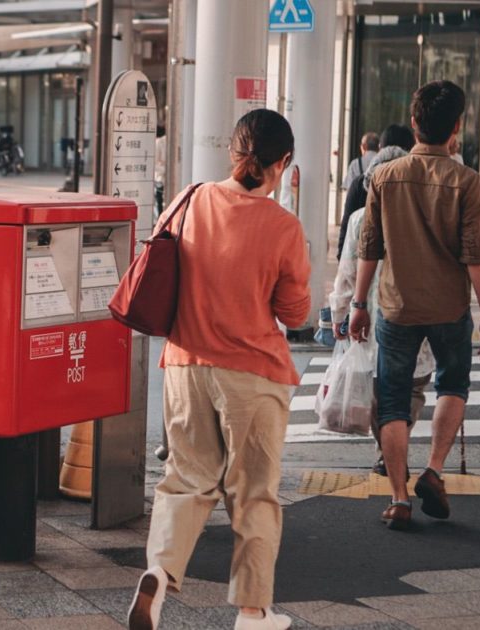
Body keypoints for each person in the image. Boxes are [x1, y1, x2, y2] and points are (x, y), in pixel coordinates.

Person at [128, 109, 308, 630]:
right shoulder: (283, 227)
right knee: (254, 493)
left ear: (233, 152)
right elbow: (295, 314)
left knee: (184, 480)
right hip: (251, 373)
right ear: (283, 163)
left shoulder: (189, 199)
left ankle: (159, 576)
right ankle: (253, 612)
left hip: (185, 365)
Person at [349, 80, 480, 531]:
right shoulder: (467, 182)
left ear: (414, 124)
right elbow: (476, 254)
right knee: (453, 383)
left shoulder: (383, 177)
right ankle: (433, 470)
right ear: (457, 127)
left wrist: (358, 303)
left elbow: (368, 246)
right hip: (449, 306)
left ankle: (398, 498)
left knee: (393, 399)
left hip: (395, 306)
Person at [329, 142, 435, 476]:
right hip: (422, 319)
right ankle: (393, 449)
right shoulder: (429, 216)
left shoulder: (361, 219)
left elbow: (347, 273)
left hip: (375, 323)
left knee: (382, 393)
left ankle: (387, 450)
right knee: (412, 390)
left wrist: (339, 313)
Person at [336, 125, 415, 259]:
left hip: (362, 267)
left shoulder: (360, 185)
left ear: (380, 147)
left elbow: (345, 237)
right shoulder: (415, 187)